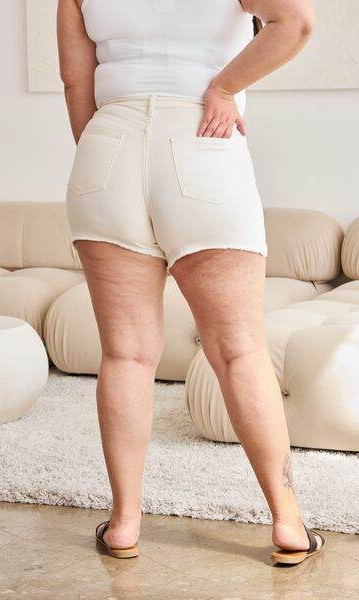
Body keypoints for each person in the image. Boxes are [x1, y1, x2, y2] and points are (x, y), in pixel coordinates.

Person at [57, 0, 324, 565]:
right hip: (202, 138)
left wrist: (106, 154)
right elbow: (296, 21)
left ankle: (124, 524)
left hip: (107, 147)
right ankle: (288, 521)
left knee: (125, 354)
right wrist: (224, 87)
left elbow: (76, 80)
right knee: (239, 351)